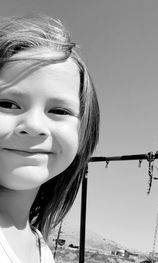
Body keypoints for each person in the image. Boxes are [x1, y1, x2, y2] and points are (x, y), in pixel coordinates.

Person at [0, 14, 100, 262]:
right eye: (8, 104)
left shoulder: (40, 246)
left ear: (84, 132)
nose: (34, 126)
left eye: (59, 111)